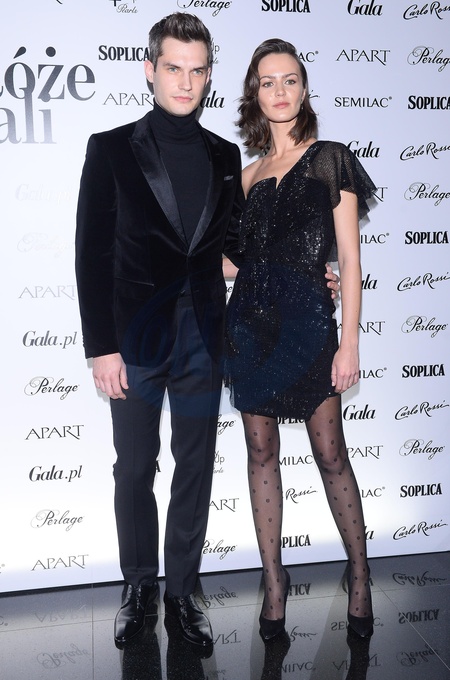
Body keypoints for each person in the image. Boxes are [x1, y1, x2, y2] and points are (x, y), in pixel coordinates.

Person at [76, 15, 339, 648]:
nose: (185, 82)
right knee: (134, 466)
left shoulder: (224, 157)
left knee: (195, 465)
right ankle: (139, 586)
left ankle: (182, 590)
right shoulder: (110, 148)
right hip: (134, 341)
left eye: (197, 71)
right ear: (150, 70)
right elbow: (91, 254)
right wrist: (102, 347)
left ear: (209, 77)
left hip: (203, 338)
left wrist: (304, 272)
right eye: (173, 68)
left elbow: (235, 251)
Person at [224, 39, 377, 642]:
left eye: (289, 79)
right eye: (267, 82)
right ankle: (274, 582)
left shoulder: (330, 160)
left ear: (305, 88)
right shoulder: (246, 176)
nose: (280, 91)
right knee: (260, 453)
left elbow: (350, 259)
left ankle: (360, 574)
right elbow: (236, 263)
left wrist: (349, 342)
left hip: (311, 327)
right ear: (255, 94)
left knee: (331, 452)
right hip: (250, 330)